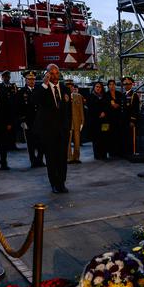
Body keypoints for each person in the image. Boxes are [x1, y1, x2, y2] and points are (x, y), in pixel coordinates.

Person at [35, 64, 71, 193]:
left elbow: (68, 111)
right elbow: (37, 100)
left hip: (63, 131)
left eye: (57, 73)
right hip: (48, 132)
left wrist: (68, 127)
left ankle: (62, 182)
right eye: (52, 73)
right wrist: (44, 84)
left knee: (62, 158)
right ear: (47, 74)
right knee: (51, 159)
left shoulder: (65, 89)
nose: (55, 76)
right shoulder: (42, 89)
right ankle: (54, 184)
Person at [17, 70, 43, 167]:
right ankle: (33, 161)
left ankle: (40, 160)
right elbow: (19, 107)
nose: (31, 81)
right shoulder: (21, 92)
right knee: (31, 143)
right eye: (29, 79)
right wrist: (22, 121)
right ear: (25, 80)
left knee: (41, 142)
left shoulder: (39, 90)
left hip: (39, 120)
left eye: (33, 79)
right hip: (29, 121)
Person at [88, 81, 110, 160]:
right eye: (97, 87)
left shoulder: (105, 96)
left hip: (105, 120)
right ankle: (97, 155)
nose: (98, 88)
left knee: (104, 137)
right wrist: (98, 114)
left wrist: (104, 112)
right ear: (94, 87)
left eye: (100, 87)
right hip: (95, 121)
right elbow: (91, 108)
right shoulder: (90, 96)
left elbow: (108, 106)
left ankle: (104, 154)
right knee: (96, 138)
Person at [121, 76, 141, 157]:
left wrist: (132, 120)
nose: (126, 85)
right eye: (125, 84)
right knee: (125, 137)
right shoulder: (123, 95)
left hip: (130, 120)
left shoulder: (134, 95)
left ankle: (132, 152)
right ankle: (126, 152)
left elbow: (135, 109)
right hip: (123, 119)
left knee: (131, 137)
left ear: (131, 84)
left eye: (128, 84)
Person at [67, 81, 85, 164]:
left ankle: (76, 157)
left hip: (77, 121)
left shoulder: (78, 96)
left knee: (77, 140)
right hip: (67, 121)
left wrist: (82, 120)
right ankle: (69, 158)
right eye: (68, 86)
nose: (70, 87)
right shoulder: (63, 96)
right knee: (68, 140)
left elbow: (81, 109)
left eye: (71, 86)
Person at [106, 78, 123, 157]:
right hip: (109, 118)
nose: (112, 86)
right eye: (110, 85)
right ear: (108, 86)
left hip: (118, 117)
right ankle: (111, 152)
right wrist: (111, 105)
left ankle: (119, 151)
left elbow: (122, 102)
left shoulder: (119, 94)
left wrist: (118, 105)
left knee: (118, 134)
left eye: (113, 84)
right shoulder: (106, 95)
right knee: (110, 135)